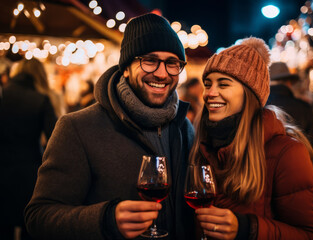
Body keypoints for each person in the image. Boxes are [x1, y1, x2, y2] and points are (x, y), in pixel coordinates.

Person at [24, 13, 195, 240]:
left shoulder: (185, 128)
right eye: (150, 60)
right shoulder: (77, 127)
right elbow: (38, 218)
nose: (162, 73)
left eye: (172, 63)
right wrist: (105, 219)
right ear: (125, 67)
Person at [189, 37, 313, 239]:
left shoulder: (286, 153)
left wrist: (247, 228)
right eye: (208, 84)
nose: (210, 93)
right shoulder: (202, 145)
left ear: (249, 94)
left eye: (223, 84)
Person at [0, 58, 58, 239]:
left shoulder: (3, 94)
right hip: (29, 169)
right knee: (30, 224)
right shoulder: (41, 99)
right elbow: (55, 140)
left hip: (2, 166)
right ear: (39, 75)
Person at [266, 62, 313, 182]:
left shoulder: (260, 107)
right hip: (299, 174)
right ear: (289, 83)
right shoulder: (304, 108)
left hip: (265, 178)